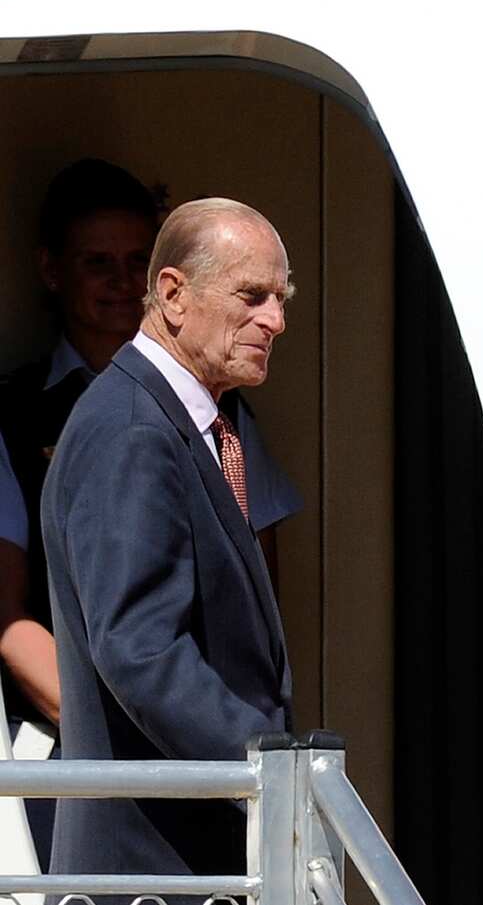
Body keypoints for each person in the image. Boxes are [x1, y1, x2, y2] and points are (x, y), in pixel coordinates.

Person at [0, 162, 300, 869]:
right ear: (172, 295)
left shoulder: (194, 419)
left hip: (188, 841)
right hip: (153, 857)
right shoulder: (134, 429)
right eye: (252, 296)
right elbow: (140, 647)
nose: (276, 320)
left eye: (282, 298)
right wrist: (267, 765)